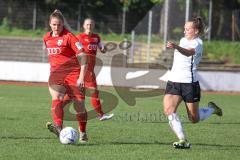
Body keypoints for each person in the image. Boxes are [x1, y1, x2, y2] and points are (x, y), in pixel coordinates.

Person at [164, 17, 223, 149]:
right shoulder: (183, 40)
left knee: (194, 119)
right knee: (169, 110)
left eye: (188, 29)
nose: (184, 31)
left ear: (196, 31)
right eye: (184, 28)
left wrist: (175, 46)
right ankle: (183, 140)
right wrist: (177, 45)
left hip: (189, 84)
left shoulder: (198, 43)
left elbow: (188, 53)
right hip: (174, 81)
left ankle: (212, 109)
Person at [43, 9, 88, 143]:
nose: (57, 27)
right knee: (57, 98)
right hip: (56, 75)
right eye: (54, 24)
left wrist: (81, 77)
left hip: (73, 73)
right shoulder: (46, 37)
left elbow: (83, 56)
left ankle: (83, 132)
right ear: (50, 24)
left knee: (79, 105)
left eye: (59, 25)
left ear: (63, 24)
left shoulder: (69, 37)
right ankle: (59, 128)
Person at [75, 18, 114, 121]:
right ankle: (100, 114)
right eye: (87, 24)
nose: (89, 26)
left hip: (90, 70)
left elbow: (102, 49)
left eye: (91, 24)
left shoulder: (96, 38)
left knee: (83, 94)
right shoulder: (79, 37)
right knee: (93, 93)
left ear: (94, 25)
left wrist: (104, 48)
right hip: (84, 69)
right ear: (83, 26)